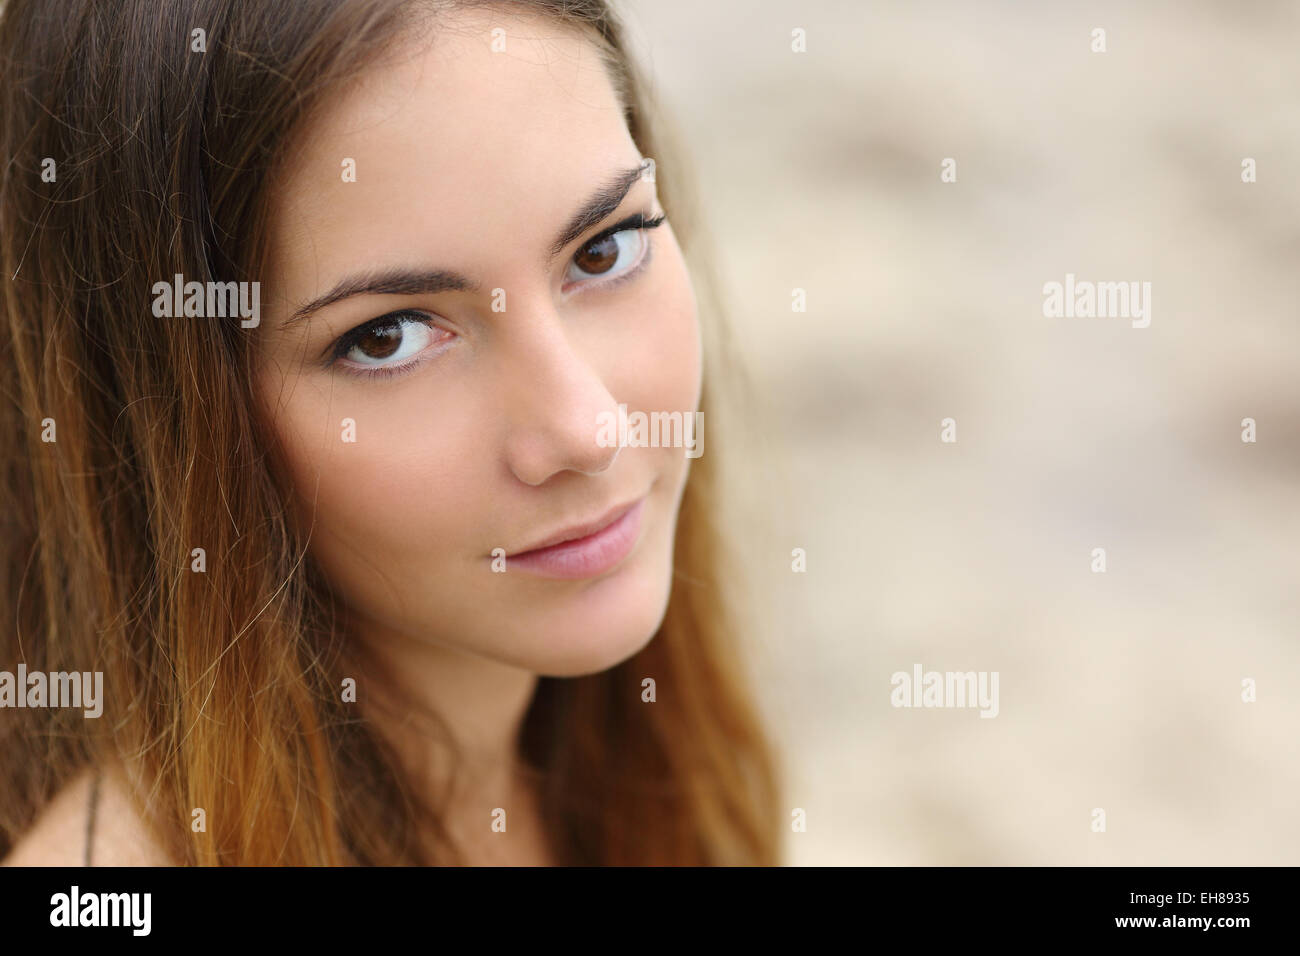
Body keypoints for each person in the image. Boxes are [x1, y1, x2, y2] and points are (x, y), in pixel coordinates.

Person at [0, 0, 781, 865]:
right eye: (390, 337)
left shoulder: (622, 752)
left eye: (604, 251)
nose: (587, 430)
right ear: (167, 418)